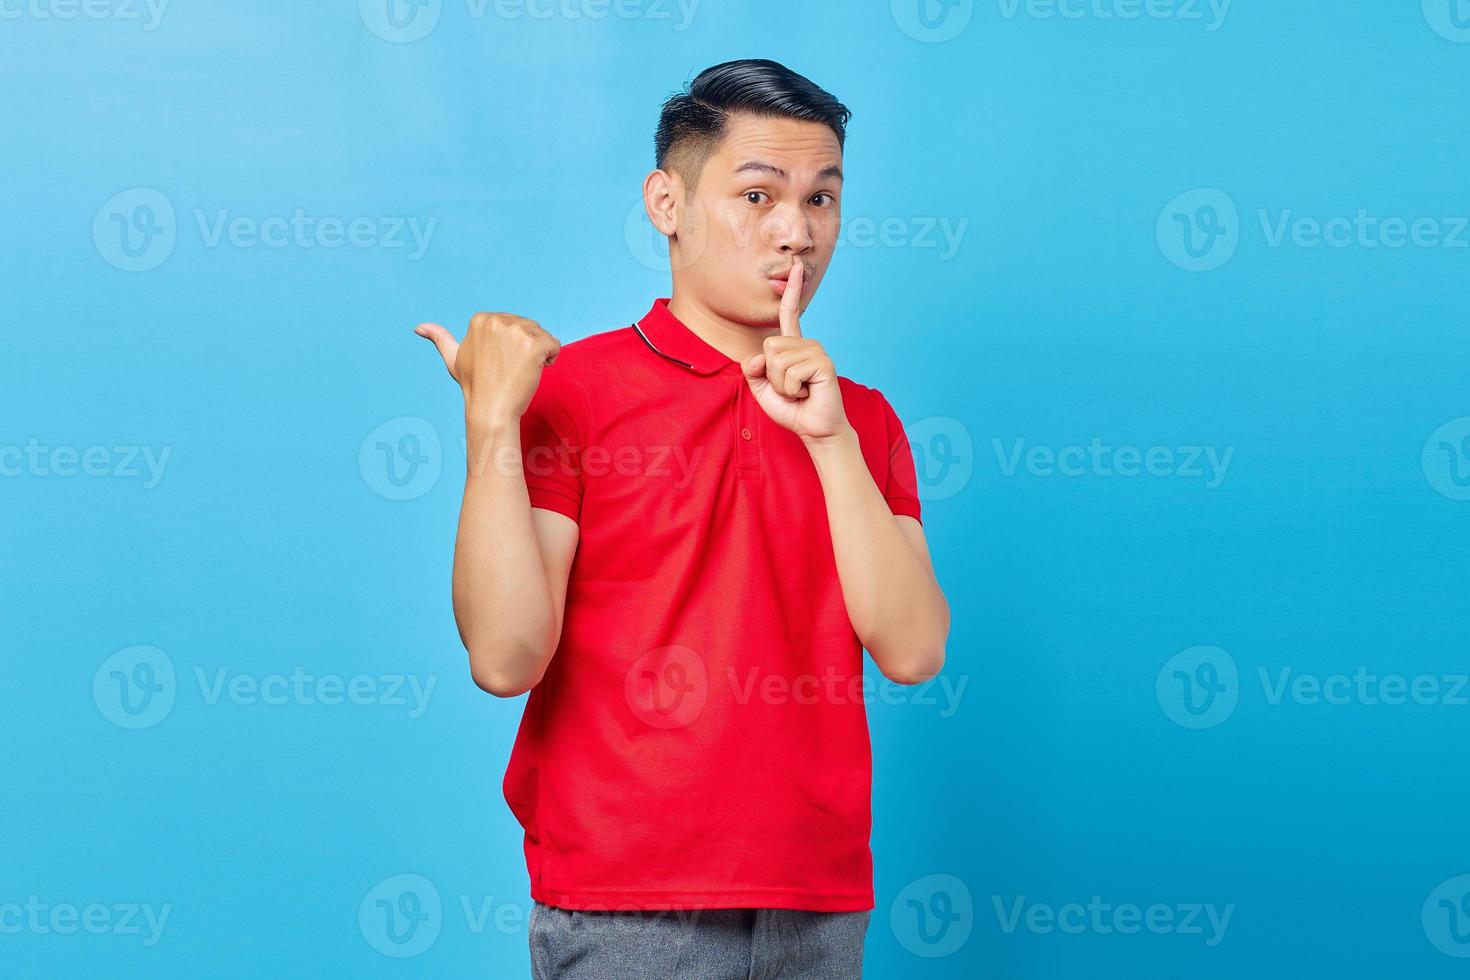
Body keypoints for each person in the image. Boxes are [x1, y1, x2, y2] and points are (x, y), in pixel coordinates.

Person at [415, 58, 951, 980]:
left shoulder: (862, 419)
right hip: (628, 906)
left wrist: (829, 444)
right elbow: (506, 659)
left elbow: (912, 649)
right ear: (667, 202)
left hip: (816, 900)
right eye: (757, 195)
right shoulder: (575, 393)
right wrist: (492, 422)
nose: (796, 233)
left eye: (822, 201)